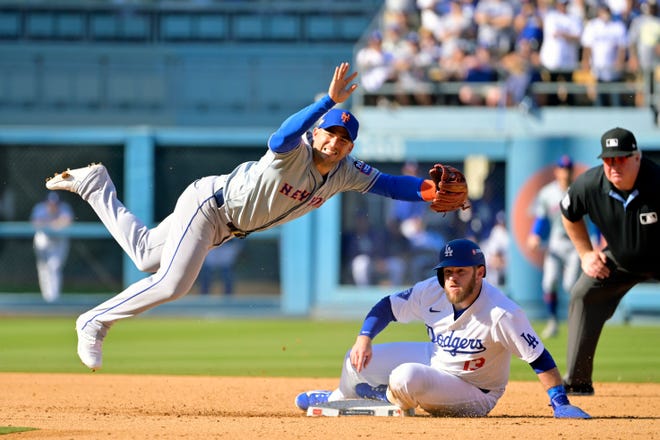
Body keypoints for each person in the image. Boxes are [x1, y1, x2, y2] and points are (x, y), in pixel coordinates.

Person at [45, 62, 451, 371]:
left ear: (349, 148)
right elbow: (281, 136)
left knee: (144, 255)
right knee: (171, 284)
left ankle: (95, 185)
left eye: (343, 139)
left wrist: (430, 191)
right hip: (209, 206)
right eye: (329, 132)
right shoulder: (294, 152)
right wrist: (327, 103)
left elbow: (391, 185)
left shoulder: (346, 172)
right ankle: (94, 322)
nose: (334, 141)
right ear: (316, 134)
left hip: (226, 227)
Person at [294, 239, 591, 419]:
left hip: (475, 391)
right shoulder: (432, 291)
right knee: (354, 358)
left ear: (481, 273)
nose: (452, 278)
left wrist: (560, 403)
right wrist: (364, 337)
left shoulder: (502, 312)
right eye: (447, 272)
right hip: (435, 360)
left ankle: (388, 397)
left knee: (405, 377)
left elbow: (539, 357)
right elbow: (386, 307)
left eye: (460, 271)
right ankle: (339, 395)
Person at [560, 127, 660, 395]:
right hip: (622, 260)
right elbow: (569, 213)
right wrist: (585, 253)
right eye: (608, 159)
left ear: (637, 157)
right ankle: (577, 383)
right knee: (583, 292)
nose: (614, 165)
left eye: (621, 158)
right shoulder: (589, 185)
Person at [527, 155, 581, 339]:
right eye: (562, 168)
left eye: (568, 168)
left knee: (570, 286)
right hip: (556, 241)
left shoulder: (579, 190)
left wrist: (597, 239)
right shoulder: (547, 193)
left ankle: (577, 321)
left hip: (576, 241)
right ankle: (553, 322)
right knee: (549, 282)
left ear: (572, 171)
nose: (565, 172)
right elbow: (541, 218)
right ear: (557, 171)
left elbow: (594, 219)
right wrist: (535, 234)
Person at [30, 191, 74, 303]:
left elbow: (66, 221)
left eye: (55, 203)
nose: (52, 205)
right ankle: (47, 298)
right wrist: (54, 223)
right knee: (43, 267)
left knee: (54, 266)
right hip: (43, 239)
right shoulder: (40, 208)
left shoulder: (64, 207)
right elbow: (36, 223)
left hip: (59, 240)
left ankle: (53, 298)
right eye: (50, 203)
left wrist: (51, 223)